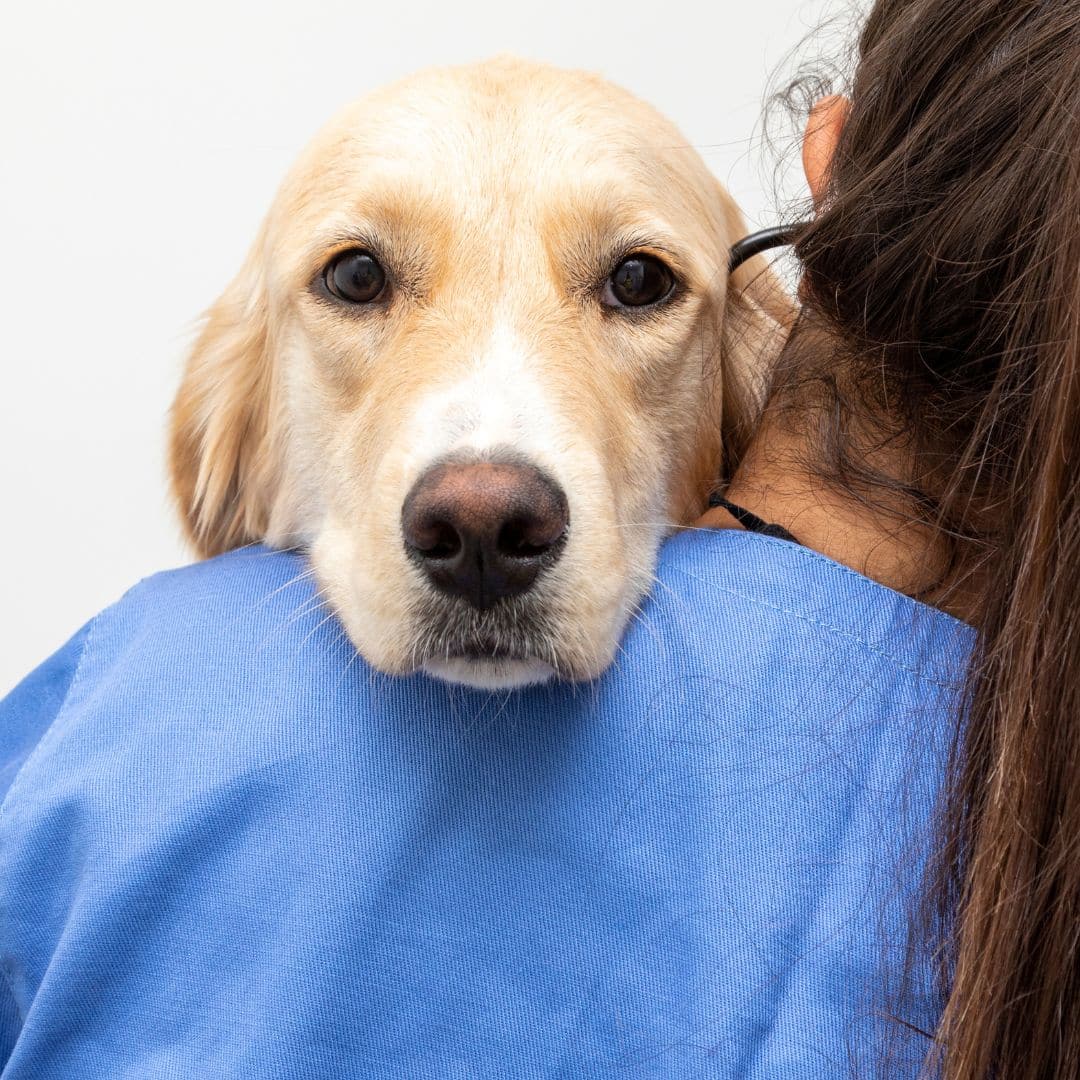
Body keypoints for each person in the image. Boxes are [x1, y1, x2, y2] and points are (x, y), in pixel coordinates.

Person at [0, 3, 1074, 1079]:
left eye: (637, 284)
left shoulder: (121, 713)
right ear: (239, 459)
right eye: (361, 280)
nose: (485, 488)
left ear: (749, 404)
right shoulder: (1026, 826)